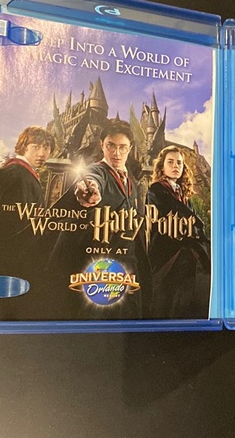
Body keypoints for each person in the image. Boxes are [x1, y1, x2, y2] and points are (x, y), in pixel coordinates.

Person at [47, 119, 150, 319]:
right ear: (102, 145)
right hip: (101, 267)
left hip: (128, 265)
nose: (116, 153)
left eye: (122, 147)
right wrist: (87, 190)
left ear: (130, 148)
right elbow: (91, 180)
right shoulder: (98, 170)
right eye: (111, 145)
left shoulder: (130, 181)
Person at [0, 125, 55, 280]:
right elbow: (13, 225)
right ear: (23, 147)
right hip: (7, 264)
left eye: (46, 148)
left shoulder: (20, 173)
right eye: (36, 147)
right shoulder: (18, 175)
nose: (42, 154)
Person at [146, 145, 210, 319]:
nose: (175, 166)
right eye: (171, 162)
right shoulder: (156, 190)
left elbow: (192, 221)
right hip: (167, 255)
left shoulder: (182, 194)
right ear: (162, 167)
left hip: (183, 251)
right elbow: (181, 215)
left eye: (179, 163)